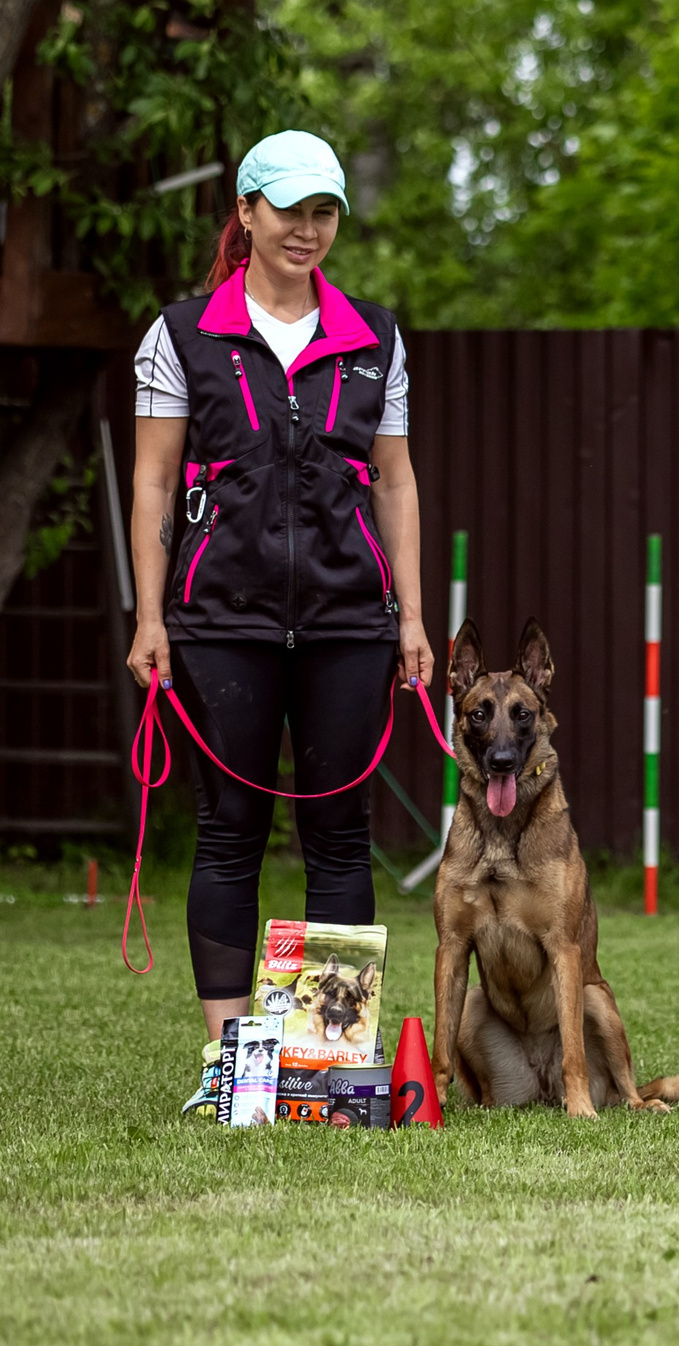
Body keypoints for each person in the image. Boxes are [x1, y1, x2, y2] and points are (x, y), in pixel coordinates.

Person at [126, 131, 434, 1115]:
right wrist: (150, 613)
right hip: (221, 621)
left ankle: (324, 1070)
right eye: (291, 208)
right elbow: (152, 481)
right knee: (228, 836)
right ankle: (231, 1074)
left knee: (340, 836)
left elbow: (394, 477)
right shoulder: (180, 335)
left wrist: (413, 617)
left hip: (351, 621)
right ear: (248, 211)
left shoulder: (374, 336)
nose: (308, 229)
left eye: (325, 211)